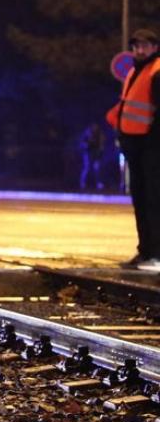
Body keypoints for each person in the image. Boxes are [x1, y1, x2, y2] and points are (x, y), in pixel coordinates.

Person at [107, 29, 160, 269]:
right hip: (136, 145)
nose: (140, 50)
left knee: (153, 199)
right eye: (137, 46)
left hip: (151, 146)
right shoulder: (134, 72)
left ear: (154, 47)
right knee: (141, 199)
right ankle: (145, 250)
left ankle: (156, 254)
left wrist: (152, 142)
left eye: (145, 46)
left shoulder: (157, 71)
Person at [78, 123, 106, 191]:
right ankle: (82, 183)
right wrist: (87, 144)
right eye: (94, 126)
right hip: (87, 153)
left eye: (96, 126)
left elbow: (102, 146)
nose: (95, 127)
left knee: (97, 168)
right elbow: (81, 144)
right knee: (87, 167)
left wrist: (100, 152)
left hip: (96, 153)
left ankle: (99, 183)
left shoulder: (100, 134)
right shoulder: (87, 133)